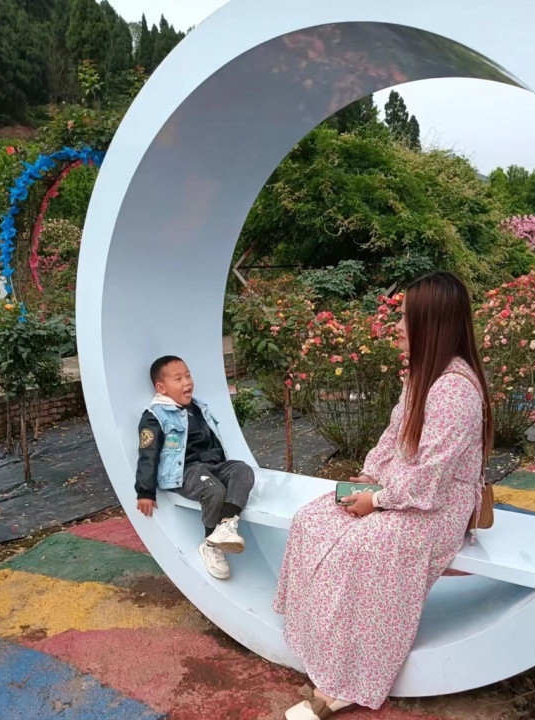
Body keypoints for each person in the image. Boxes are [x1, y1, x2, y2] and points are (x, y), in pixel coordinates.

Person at [274, 271, 493, 720]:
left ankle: (346, 683)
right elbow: (393, 435)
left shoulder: (455, 390)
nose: (397, 326)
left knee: (363, 550)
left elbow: (430, 479)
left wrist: (375, 501)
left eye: (405, 317)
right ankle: (321, 646)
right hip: (398, 487)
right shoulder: (424, 375)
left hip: (436, 505)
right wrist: (367, 478)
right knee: (312, 519)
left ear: (431, 324)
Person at [135, 355, 255, 580]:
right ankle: (211, 545)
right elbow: (148, 454)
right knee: (214, 489)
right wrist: (145, 491)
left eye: (188, 376)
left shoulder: (199, 407)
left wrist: (223, 466)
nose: (187, 382)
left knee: (243, 470)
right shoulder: (155, 416)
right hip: (184, 472)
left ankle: (226, 525)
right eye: (178, 379)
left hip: (212, 466)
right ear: (161, 388)